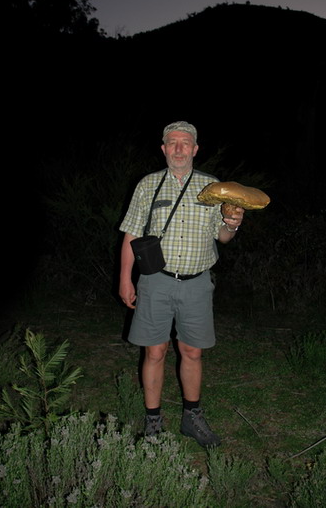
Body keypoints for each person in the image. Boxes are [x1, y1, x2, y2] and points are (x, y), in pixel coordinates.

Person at [118, 121, 243, 447]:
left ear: (195, 149)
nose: (178, 148)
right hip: (155, 282)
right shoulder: (148, 185)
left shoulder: (214, 187)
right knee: (155, 352)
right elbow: (131, 234)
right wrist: (124, 279)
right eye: (172, 143)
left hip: (197, 284)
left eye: (184, 143)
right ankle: (153, 422)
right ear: (163, 149)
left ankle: (192, 417)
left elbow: (223, 237)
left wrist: (232, 223)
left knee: (192, 352)